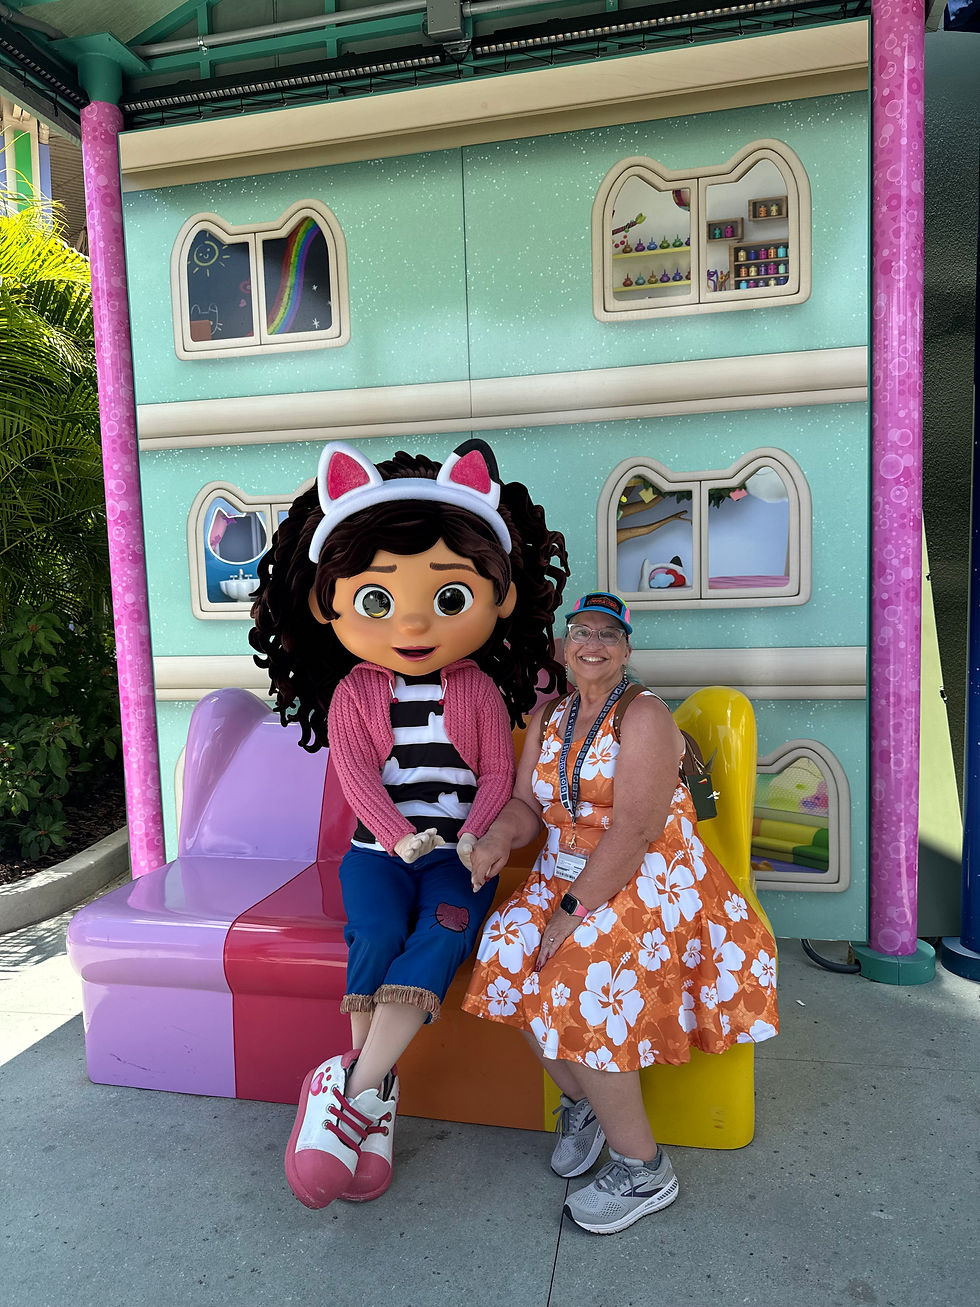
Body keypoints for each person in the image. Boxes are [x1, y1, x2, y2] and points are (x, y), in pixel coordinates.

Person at [249, 438, 568, 1210]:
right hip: (378, 852)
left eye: (448, 597)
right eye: (379, 599)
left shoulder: (482, 692)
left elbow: (497, 772)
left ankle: (349, 1094)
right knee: (377, 934)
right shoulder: (354, 693)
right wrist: (398, 836)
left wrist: (477, 835)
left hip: (459, 857)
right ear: (333, 604)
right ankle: (376, 1107)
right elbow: (356, 776)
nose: (416, 620)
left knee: (448, 930)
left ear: (497, 598)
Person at [460, 592, 779, 1235]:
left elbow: (635, 829)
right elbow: (526, 804)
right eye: (581, 632)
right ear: (564, 643)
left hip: (651, 877)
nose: (593, 644)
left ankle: (644, 1167)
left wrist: (572, 913)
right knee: (503, 952)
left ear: (627, 648)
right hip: (565, 872)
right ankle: (581, 1103)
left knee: (583, 979)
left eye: (609, 634)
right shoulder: (550, 717)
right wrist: (497, 838)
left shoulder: (645, 716)